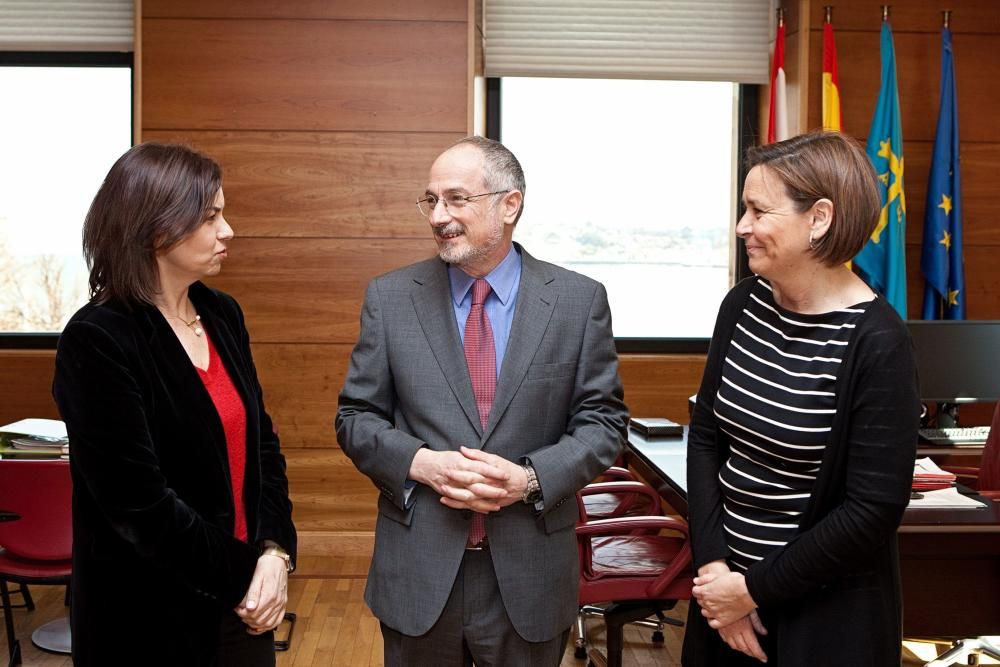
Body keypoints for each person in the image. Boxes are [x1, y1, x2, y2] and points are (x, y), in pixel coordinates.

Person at [336, 135, 628, 665]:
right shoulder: (390, 297)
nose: (438, 216)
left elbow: (603, 424)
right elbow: (356, 418)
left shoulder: (578, 301)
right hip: (420, 573)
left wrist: (530, 479)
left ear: (509, 204)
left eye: (455, 198)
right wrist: (420, 463)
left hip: (530, 574)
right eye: (430, 200)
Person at [682, 130, 920, 666]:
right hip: (721, 603)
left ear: (819, 218)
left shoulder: (879, 341)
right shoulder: (742, 305)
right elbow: (707, 437)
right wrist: (717, 570)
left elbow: (871, 510)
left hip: (821, 619)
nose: (743, 226)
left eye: (759, 211)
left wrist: (753, 590)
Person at [52, 143, 296, 666]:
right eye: (211, 217)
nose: (227, 230)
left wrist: (275, 552)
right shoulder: (98, 338)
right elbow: (138, 503)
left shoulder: (222, 313)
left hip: (245, 601)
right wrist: (246, 575)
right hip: (146, 617)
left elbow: (264, 449)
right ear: (157, 229)